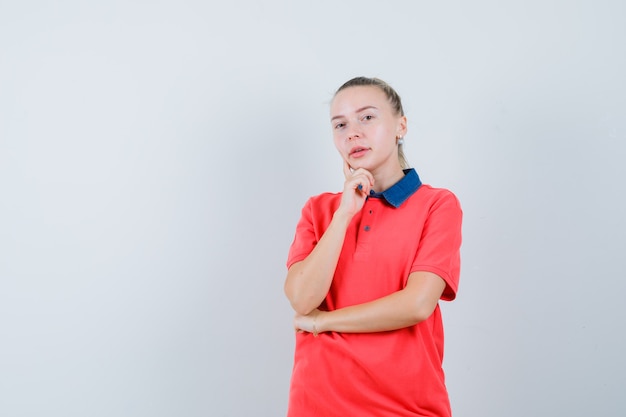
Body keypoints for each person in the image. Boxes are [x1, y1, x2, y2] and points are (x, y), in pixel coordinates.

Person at [284, 76, 463, 417]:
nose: (352, 132)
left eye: (367, 117)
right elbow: (302, 299)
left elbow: (416, 304)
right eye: (340, 124)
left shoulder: (437, 205)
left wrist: (323, 323)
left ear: (401, 126)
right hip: (316, 405)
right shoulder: (319, 210)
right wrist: (343, 215)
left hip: (406, 407)